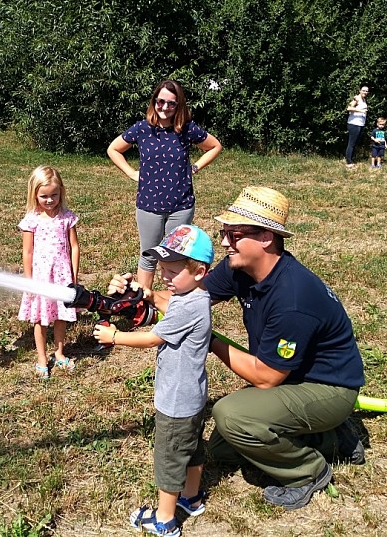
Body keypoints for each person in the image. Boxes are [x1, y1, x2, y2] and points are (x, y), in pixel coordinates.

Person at [108, 186, 366, 511]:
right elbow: (185, 301)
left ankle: (307, 471)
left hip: (327, 388)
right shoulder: (239, 268)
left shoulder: (293, 299)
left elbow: (266, 377)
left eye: (235, 234)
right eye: (224, 233)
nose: (225, 243)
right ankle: (331, 438)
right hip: (292, 377)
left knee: (232, 417)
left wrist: (209, 340)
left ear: (266, 238)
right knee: (223, 448)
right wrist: (139, 295)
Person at [94, 225, 214, 537]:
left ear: (199, 272)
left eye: (172, 271)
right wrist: (146, 294)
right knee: (191, 449)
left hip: (175, 401)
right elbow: (168, 305)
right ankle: (191, 498)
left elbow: (151, 339)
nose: (164, 276)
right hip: (192, 396)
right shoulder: (195, 297)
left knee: (169, 458)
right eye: (162, 269)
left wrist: (114, 336)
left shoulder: (187, 305)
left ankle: (165, 520)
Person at [107, 79, 222, 291]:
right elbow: (113, 149)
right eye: (161, 101)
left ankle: (174, 302)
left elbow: (215, 146)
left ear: (178, 106)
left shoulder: (186, 129)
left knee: (176, 257)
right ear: (154, 102)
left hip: (181, 206)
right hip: (149, 205)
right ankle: (144, 302)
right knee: (149, 255)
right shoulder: (142, 129)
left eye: (171, 103)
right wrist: (131, 172)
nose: (165, 107)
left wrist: (195, 167)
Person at [18, 165, 80, 379]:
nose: (50, 200)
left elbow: (74, 247)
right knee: (41, 318)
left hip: (62, 276)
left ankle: (60, 352)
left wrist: (74, 275)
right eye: (44, 196)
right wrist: (29, 280)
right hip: (41, 278)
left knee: (61, 316)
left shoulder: (67, 217)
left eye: (54, 195)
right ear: (34, 194)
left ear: (61, 192)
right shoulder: (32, 220)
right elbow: (27, 252)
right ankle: (42, 357)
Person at [345, 85, 369, 168]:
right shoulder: (357, 98)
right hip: (354, 124)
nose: (365, 92)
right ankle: (348, 162)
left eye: (366, 91)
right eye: (363, 90)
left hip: (360, 124)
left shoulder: (364, 99)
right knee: (351, 143)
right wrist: (360, 110)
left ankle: (351, 159)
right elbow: (349, 108)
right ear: (360, 91)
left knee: (355, 143)